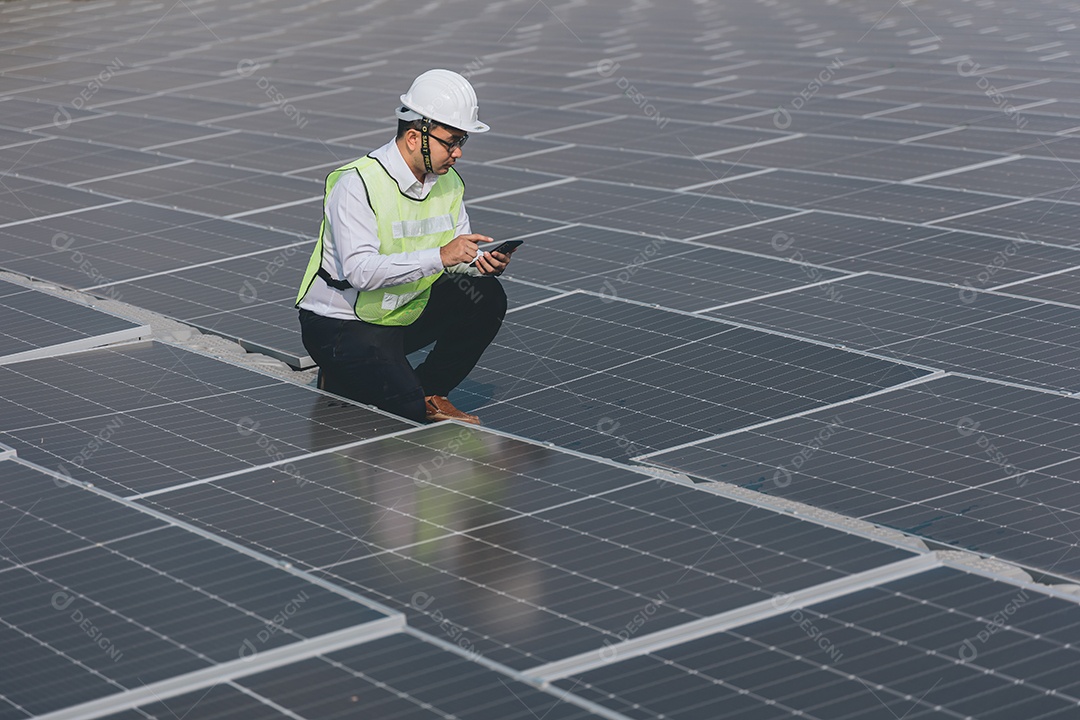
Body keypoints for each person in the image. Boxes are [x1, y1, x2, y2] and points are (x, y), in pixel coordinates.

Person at [296, 69, 513, 426]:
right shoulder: (357, 184)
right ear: (415, 137)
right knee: (405, 414)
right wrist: (441, 256)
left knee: (485, 295)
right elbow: (361, 273)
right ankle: (342, 373)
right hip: (342, 325)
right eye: (451, 141)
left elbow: (453, 257)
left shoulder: (448, 184)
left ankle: (429, 390)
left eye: (463, 142)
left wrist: (479, 263)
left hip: (399, 311)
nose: (458, 153)